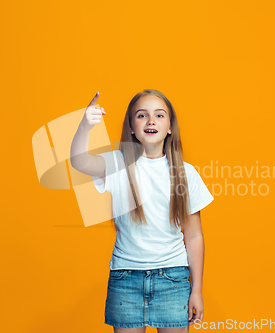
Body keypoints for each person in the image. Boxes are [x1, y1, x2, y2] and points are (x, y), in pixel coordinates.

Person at [70, 89, 214, 332]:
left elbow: (194, 235)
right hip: (125, 279)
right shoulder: (117, 164)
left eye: (159, 115)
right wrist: (84, 126)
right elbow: (79, 161)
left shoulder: (185, 173)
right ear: (131, 128)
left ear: (169, 127)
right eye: (142, 115)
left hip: (174, 280)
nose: (150, 121)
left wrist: (197, 290)